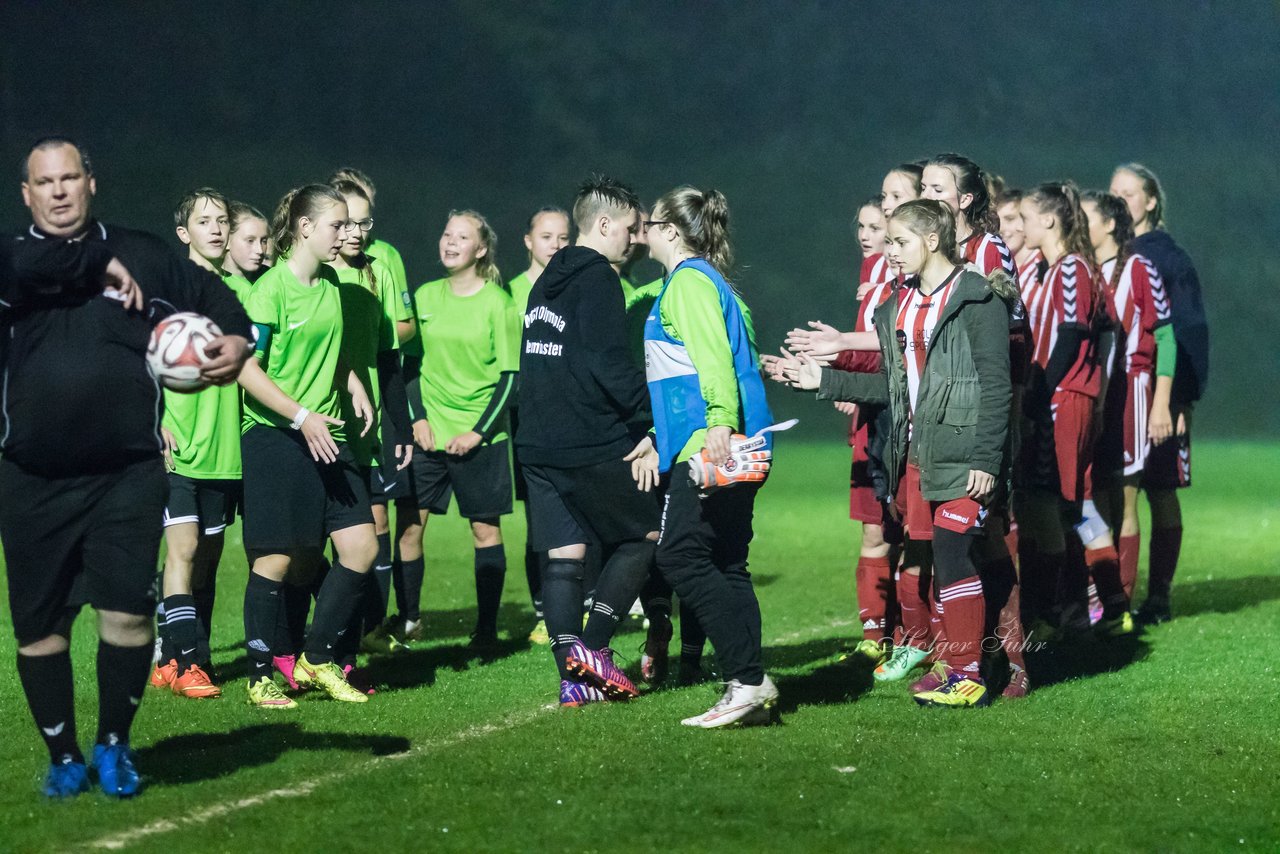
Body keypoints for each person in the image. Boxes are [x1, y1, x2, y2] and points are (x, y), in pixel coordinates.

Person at [1, 137, 253, 798]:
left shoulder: (144, 251)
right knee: (40, 628)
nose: (58, 191)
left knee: (127, 615)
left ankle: (114, 746)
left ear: (91, 182)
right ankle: (62, 756)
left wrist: (234, 338)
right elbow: (31, 267)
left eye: (69, 178)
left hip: (127, 472)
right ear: (27, 194)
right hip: (32, 477)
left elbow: (217, 299)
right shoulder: (10, 259)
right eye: (43, 182)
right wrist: (94, 266)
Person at [789, 199, 1014, 708]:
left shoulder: (977, 298)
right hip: (917, 453)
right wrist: (820, 380)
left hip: (964, 453)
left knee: (956, 549)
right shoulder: (899, 304)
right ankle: (959, 667)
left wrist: (985, 459)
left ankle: (971, 674)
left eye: (899, 241)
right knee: (944, 552)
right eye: (887, 241)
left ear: (932, 240)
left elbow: (996, 387)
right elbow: (892, 388)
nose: (888, 252)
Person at [516, 175, 659, 707]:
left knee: (564, 556)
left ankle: (573, 680)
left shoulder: (546, 276)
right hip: (588, 438)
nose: (637, 238)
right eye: (630, 227)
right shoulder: (598, 278)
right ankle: (594, 651)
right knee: (643, 534)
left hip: (536, 440)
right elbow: (607, 364)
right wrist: (649, 422)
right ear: (603, 224)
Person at [644, 186, 782, 727]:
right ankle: (750, 685)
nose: (645, 232)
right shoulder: (715, 283)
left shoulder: (689, 283)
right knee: (728, 563)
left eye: (652, 224)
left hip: (713, 444)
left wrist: (720, 422)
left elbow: (713, 359)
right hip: (726, 439)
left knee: (679, 556)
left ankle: (746, 679)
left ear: (672, 231)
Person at [237, 183, 380, 708]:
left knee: (361, 546)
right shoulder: (269, 291)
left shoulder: (334, 286)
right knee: (276, 559)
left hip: (329, 432)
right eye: (337, 225)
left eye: (349, 226)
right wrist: (299, 415)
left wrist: (354, 384)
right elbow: (246, 370)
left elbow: (332, 354)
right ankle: (258, 678)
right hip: (276, 436)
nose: (347, 234)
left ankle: (316, 659)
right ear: (304, 228)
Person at [150, 188, 254, 701]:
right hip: (176, 447)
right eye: (204, 220)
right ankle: (188, 663)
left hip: (226, 450)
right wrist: (152, 421)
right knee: (184, 549)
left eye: (222, 220)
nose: (216, 228)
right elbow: (133, 359)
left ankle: (180, 652)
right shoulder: (166, 291)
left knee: (207, 560)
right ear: (183, 233)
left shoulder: (241, 293)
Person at [1018, 182, 1132, 637]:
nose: (1021, 226)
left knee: (1067, 503)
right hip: (1056, 395)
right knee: (1058, 504)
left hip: (1064, 397)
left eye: (1024, 217)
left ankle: (1093, 605)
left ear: (1048, 219)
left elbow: (1072, 333)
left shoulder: (1071, 268)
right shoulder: (1045, 268)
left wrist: (1040, 388)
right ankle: (1073, 608)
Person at [406, 210, 520, 649]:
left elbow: (510, 377)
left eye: (462, 237)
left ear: (481, 249)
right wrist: (418, 418)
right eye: (446, 233)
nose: (450, 242)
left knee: (484, 532)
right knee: (410, 529)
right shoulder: (425, 296)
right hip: (429, 436)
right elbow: (411, 365)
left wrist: (478, 432)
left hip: (480, 439)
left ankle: (487, 630)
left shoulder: (499, 303)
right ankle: (410, 621)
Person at [1110, 163, 1206, 624]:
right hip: (1123, 396)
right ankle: (1114, 597)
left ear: (1150, 202)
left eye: (1129, 193)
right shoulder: (1112, 253)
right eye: (1114, 193)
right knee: (1119, 493)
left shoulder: (1168, 259)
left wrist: (1179, 399)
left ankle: (1160, 596)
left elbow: (1185, 332)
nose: (1120, 199)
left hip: (1160, 397)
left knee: (1161, 490)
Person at [326, 180, 414, 670]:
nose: (357, 232)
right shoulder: (307, 277)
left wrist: (398, 425)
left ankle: (363, 633)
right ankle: (303, 646)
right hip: (316, 423)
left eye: (364, 222)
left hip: (364, 428)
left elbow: (388, 354)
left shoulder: (376, 271)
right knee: (306, 548)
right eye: (347, 223)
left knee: (367, 530)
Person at [1081, 191, 1176, 606]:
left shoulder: (1138, 267)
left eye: (1085, 217)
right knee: (1095, 494)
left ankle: (1120, 598)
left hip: (1131, 392)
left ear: (1108, 225)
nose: (1078, 223)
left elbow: (1166, 336)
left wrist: (1160, 404)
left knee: (1124, 497)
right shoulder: (1084, 269)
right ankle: (1098, 595)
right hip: (1093, 393)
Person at [506, 206, 571, 641]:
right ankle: (542, 610)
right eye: (547, 237)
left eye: (564, 238)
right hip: (523, 418)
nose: (556, 245)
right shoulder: (507, 293)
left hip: (568, 417)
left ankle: (575, 603)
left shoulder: (575, 288)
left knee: (575, 513)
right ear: (528, 241)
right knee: (537, 518)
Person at [223, 201, 270, 282]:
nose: (260, 250)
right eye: (250, 241)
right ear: (227, 241)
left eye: (263, 241)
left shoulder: (276, 280)